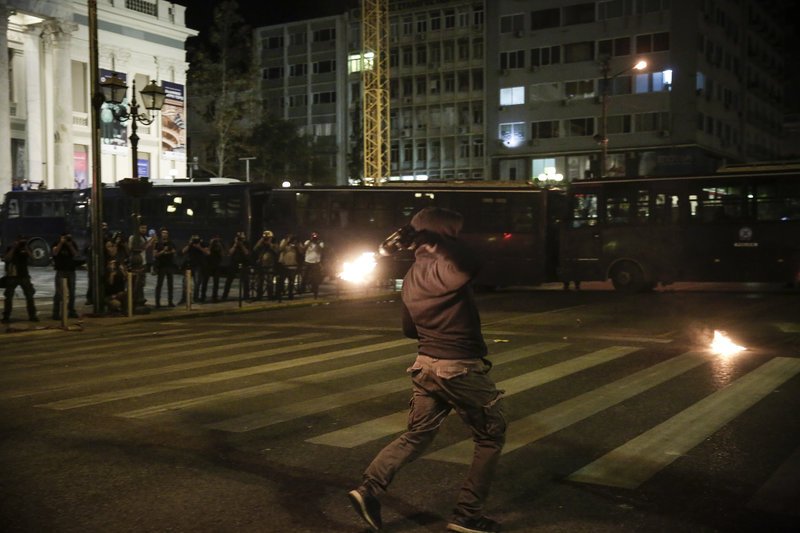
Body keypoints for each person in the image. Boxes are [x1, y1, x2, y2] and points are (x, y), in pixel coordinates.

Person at [348, 207, 506, 533]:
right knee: (490, 436)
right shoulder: (447, 267)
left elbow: (410, 329)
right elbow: (472, 262)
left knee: (417, 433)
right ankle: (467, 516)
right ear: (442, 234)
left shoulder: (410, 276)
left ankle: (369, 489)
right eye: (452, 233)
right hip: (458, 368)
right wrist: (435, 243)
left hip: (425, 365)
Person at [2, 236, 39, 323]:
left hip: (24, 275)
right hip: (12, 276)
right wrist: (14, 248)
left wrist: (26, 248)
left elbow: (33, 258)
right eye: (20, 241)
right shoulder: (11, 248)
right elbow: (6, 258)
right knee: (9, 297)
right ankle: (6, 316)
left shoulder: (26, 248)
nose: (21, 243)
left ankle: (32, 315)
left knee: (29, 296)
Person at [51, 232, 80, 320]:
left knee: (72, 293)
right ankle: (56, 313)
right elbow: (55, 253)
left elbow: (76, 254)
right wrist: (61, 243)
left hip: (71, 270)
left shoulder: (72, 243)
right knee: (58, 293)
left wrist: (70, 245)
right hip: (60, 270)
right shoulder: (56, 243)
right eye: (65, 237)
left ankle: (71, 311)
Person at [128, 223, 155, 307]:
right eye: (142, 228)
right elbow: (138, 248)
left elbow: (150, 249)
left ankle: (140, 299)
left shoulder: (144, 237)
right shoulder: (134, 237)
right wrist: (150, 241)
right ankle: (135, 300)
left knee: (142, 283)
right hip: (136, 263)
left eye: (145, 228)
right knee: (136, 283)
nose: (144, 230)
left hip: (143, 262)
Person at [180, 234, 209, 303]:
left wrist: (199, 247)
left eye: (196, 239)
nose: (195, 241)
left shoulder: (202, 244)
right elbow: (183, 252)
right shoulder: (190, 245)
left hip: (198, 266)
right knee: (185, 283)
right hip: (189, 265)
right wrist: (189, 244)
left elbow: (208, 252)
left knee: (197, 282)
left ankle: (196, 298)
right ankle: (184, 298)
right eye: (194, 239)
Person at [222, 231, 251, 301]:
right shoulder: (233, 243)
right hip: (233, 263)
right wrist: (235, 244)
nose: (240, 240)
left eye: (242, 238)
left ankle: (246, 296)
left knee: (245, 280)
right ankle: (224, 296)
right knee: (229, 280)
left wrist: (241, 245)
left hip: (244, 263)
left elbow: (247, 253)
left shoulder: (246, 243)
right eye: (239, 238)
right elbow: (230, 253)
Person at [153, 227, 177, 307]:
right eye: (163, 233)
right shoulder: (158, 243)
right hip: (161, 266)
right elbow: (155, 254)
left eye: (166, 233)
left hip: (169, 265)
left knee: (170, 285)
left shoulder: (171, 242)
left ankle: (170, 301)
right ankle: (157, 302)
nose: (165, 234)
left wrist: (170, 252)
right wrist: (163, 251)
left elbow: (174, 251)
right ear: (161, 234)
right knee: (159, 284)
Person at [253, 230, 279, 301]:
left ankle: (270, 296)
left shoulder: (274, 245)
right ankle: (259, 296)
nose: (267, 239)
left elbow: (277, 251)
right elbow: (255, 249)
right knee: (259, 281)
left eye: (268, 237)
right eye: (266, 238)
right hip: (261, 265)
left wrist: (270, 244)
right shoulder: (262, 245)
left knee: (269, 281)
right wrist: (262, 239)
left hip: (270, 265)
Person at [277, 234, 302, 302]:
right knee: (281, 282)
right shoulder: (284, 241)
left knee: (291, 282)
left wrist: (297, 245)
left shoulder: (297, 243)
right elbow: (280, 249)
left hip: (293, 266)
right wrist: (287, 241)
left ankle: (290, 295)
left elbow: (301, 251)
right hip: (284, 265)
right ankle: (280, 296)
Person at [300, 232, 324, 298]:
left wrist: (317, 243)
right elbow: (303, 249)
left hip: (316, 263)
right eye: (313, 237)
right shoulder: (307, 242)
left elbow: (321, 249)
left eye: (315, 237)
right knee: (304, 276)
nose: (314, 238)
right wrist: (310, 241)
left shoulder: (320, 243)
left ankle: (315, 291)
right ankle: (302, 289)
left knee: (315, 278)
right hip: (307, 261)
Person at [205, 235, 226, 302]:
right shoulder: (209, 244)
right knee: (205, 281)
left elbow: (223, 254)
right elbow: (207, 253)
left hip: (217, 265)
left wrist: (220, 245)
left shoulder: (220, 245)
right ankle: (203, 296)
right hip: (209, 265)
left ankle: (214, 297)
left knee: (216, 282)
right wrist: (211, 244)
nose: (216, 240)